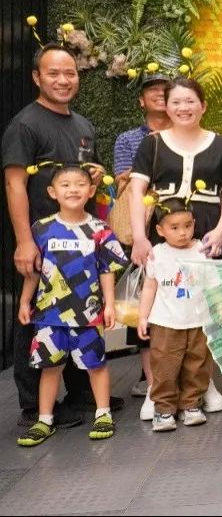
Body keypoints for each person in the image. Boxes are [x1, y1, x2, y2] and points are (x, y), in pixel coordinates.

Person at [2, 43, 117, 429]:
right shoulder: (25, 125)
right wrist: (24, 241)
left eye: (70, 73)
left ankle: (82, 395)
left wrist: (97, 175)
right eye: (53, 73)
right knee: (36, 317)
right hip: (42, 243)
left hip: (81, 244)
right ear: (37, 77)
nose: (63, 80)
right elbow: (15, 184)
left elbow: (86, 177)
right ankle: (33, 406)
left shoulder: (83, 125)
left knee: (80, 313)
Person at [128, 77, 222, 416]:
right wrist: (140, 236)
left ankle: (204, 383)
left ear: (202, 105)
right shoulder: (152, 144)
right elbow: (137, 190)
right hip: (164, 231)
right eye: (176, 101)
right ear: (166, 106)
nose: (183, 108)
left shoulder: (221, 145)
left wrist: (220, 230)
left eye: (190, 101)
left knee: (203, 305)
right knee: (162, 305)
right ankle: (157, 388)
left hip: (205, 231)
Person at [16, 164, 128, 446]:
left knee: (95, 364)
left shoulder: (99, 230)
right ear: (52, 192)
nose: (73, 190)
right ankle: (44, 420)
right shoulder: (41, 229)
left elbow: (106, 269)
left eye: (80, 184)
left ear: (91, 190)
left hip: (88, 314)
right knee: (50, 367)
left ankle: (103, 414)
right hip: (49, 315)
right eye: (65, 185)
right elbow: (34, 271)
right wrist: (25, 301)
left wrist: (109, 304)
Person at [112, 71, 172, 402]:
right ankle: (150, 381)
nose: (160, 95)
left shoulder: (185, 132)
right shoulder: (128, 139)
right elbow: (124, 180)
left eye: (166, 90)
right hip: (145, 228)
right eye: (153, 91)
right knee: (144, 299)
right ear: (141, 101)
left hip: (180, 226)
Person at [137, 197, 220, 432]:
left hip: (198, 321)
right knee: (165, 366)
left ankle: (191, 405)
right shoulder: (157, 253)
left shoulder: (201, 251)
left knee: (197, 365)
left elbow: (213, 285)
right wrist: (143, 317)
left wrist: (219, 310)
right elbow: (150, 287)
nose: (183, 233)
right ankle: (164, 409)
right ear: (160, 230)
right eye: (174, 227)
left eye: (188, 225)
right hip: (165, 323)